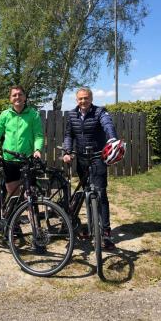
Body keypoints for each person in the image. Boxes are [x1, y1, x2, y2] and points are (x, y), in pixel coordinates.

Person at [62, 87, 118, 250]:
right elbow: (68, 135)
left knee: (100, 193)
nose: (83, 101)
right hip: (81, 159)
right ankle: (92, 227)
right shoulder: (72, 114)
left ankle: (106, 232)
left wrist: (113, 139)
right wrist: (67, 151)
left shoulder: (100, 112)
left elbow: (108, 125)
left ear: (91, 98)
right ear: (76, 100)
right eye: (80, 99)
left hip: (98, 157)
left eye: (86, 98)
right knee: (87, 192)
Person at [0, 86, 44, 197]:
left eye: (20, 94)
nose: (17, 97)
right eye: (14, 95)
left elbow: (38, 135)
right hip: (9, 159)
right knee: (14, 194)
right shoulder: (5, 115)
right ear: (10, 99)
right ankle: (13, 212)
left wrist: (37, 149)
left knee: (30, 194)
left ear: (25, 97)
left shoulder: (33, 114)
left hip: (27, 159)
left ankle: (31, 214)